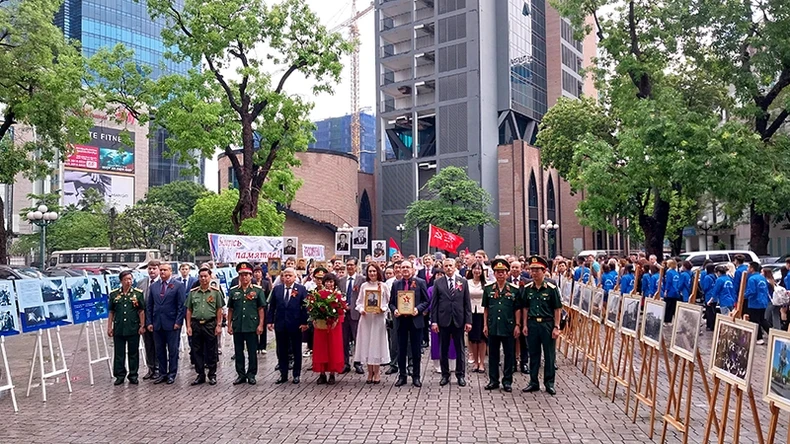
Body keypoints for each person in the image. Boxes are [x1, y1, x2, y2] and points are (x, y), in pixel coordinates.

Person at [521, 255, 562, 395]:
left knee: (549, 355)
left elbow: (557, 308)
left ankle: (549, 383)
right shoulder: (528, 288)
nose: (534, 273)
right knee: (534, 354)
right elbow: (525, 308)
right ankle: (533, 382)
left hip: (547, 324)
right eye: (532, 270)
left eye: (537, 270)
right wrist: (524, 325)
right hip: (532, 324)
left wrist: (556, 327)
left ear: (544, 271)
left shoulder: (551, 288)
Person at [430, 258, 472, 387]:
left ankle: (460, 375)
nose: (448, 268)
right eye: (446, 266)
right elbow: (435, 304)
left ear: (455, 267)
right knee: (443, 348)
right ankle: (445, 375)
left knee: (460, 349)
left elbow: (467, 303)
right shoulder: (438, 282)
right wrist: (434, 321)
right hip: (443, 320)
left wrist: (468, 321)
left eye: (450, 265)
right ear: (443, 267)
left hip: (458, 320)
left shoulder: (462, 282)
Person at [389, 260, 429, 387]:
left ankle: (416, 376)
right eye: (403, 267)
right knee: (401, 349)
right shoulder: (396, 284)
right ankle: (402, 376)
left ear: (413, 269)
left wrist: (418, 309)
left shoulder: (420, 282)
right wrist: (394, 309)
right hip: (401, 321)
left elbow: (426, 301)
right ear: (399, 269)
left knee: (416, 350)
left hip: (415, 320)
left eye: (407, 267)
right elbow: (391, 302)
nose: (405, 269)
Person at [482, 259, 520, 393]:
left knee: (509, 355)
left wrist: (517, 325)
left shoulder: (514, 290)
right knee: (493, 355)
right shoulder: (488, 289)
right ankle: (493, 380)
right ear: (494, 273)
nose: (500, 275)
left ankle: (507, 381)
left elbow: (517, 309)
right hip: (493, 326)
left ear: (507, 273)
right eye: (497, 272)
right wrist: (485, 325)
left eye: (502, 272)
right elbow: (486, 308)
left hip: (508, 326)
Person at [146, 263, 187, 385]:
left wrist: (178, 322)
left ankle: (172, 373)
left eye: (165, 270)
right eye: (161, 270)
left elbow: (181, 305)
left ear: (170, 271)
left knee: (173, 350)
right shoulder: (154, 286)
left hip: (172, 323)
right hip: (157, 323)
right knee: (159, 350)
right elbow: (149, 306)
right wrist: (149, 322)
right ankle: (162, 373)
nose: (163, 272)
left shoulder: (178, 285)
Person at [227, 262, 267, 385]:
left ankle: (251, 374)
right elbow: (230, 309)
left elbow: (261, 309)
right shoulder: (234, 291)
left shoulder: (257, 290)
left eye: (247, 275)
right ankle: (241, 374)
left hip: (251, 325)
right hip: (238, 325)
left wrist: (261, 325)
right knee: (239, 352)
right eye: (242, 275)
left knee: (252, 352)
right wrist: (229, 324)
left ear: (251, 276)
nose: (244, 277)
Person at [268, 267, 309, 384]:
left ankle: (296, 374)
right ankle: (283, 374)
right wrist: (270, 321)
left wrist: (304, 322)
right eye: (285, 275)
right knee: (282, 350)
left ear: (295, 277)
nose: (287, 277)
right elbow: (272, 307)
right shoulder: (277, 289)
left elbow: (304, 307)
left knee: (296, 349)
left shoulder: (301, 289)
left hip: (295, 324)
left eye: (290, 275)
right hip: (281, 324)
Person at [185, 267, 225, 386]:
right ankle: (200, 374)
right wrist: (188, 326)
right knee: (196, 350)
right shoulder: (193, 293)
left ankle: (212, 375)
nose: (203, 279)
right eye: (201, 276)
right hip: (196, 324)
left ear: (210, 277)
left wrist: (218, 325)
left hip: (210, 324)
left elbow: (219, 309)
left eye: (205, 276)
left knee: (211, 350)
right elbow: (189, 310)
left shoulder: (215, 292)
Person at [355, 263, 391, 384]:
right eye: (370, 271)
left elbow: (388, 303)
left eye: (374, 271)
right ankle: (369, 372)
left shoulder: (383, 286)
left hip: (378, 319)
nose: (372, 274)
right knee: (366, 343)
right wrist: (361, 310)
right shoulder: (364, 286)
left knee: (376, 344)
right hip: (366, 319)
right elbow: (359, 302)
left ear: (378, 272)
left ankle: (377, 372)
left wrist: (383, 309)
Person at [107, 271, 145, 386]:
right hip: (119, 327)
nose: (128, 281)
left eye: (130, 279)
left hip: (133, 327)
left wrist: (142, 325)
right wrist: (109, 327)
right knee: (119, 353)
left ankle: (133, 375)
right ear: (121, 281)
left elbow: (141, 310)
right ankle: (119, 375)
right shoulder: (114, 294)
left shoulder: (137, 294)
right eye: (126, 279)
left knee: (133, 352)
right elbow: (111, 312)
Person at [312, 273, 345, 385]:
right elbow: (313, 310)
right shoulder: (318, 294)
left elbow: (341, 311)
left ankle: (332, 374)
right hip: (321, 327)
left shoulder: (338, 296)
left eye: (331, 282)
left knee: (333, 349)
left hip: (334, 327)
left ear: (334, 283)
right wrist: (314, 319)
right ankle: (322, 374)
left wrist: (336, 321)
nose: (328, 284)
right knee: (321, 349)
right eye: (326, 282)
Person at [135, 260, 160, 380]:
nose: (151, 271)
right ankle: (151, 368)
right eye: (150, 269)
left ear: (159, 269)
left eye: (154, 268)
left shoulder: (162, 283)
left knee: (158, 345)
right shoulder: (141, 283)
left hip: (158, 320)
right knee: (148, 345)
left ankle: (159, 368)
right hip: (144, 320)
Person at [339, 259, 364, 375]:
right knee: (344, 340)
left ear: (356, 266)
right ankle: (345, 363)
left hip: (356, 314)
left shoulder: (361, 280)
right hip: (343, 314)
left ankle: (358, 363)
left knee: (357, 339)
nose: (349, 267)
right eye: (347, 265)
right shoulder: (341, 281)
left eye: (351, 265)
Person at [508, 261, 530, 374]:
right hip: (510, 316)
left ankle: (524, 363)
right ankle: (512, 364)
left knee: (524, 340)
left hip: (524, 315)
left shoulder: (527, 282)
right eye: (513, 267)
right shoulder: (505, 282)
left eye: (517, 267)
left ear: (521, 269)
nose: (515, 269)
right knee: (510, 340)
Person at [742, 262, 771, 344]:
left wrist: (744, 295)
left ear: (752, 268)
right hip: (763, 301)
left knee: (755, 320)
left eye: (748, 267)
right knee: (762, 319)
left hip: (754, 302)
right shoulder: (762, 278)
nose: (747, 269)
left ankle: (759, 338)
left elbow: (752, 291)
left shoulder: (752, 279)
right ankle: (771, 333)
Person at [466, 262, 487, 374]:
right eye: (475, 268)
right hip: (470, 313)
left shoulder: (486, 283)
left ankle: (482, 362)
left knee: (482, 339)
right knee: (473, 339)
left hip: (482, 312)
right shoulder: (466, 282)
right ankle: (475, 361)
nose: (477, 271)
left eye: (479, 269)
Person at [252, 265, 272, 354]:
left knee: (263, 326)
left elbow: (269, 294)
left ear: (261, 273)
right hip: (254, 308)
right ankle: (256, 346)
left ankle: (263, 346)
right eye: (255, 272)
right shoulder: (251, 283)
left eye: (258, 272)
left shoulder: (265, 283)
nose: (257, 274)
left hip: (263, 308)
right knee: (255, 326)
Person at [700, 264, 717, 331]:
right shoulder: (715, 276)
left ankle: (710, 326)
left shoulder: (707, 277)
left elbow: (705, 287)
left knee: (709, 311)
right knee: (713, 311)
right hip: (714, 297)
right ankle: (713, 325)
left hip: (708, 296)